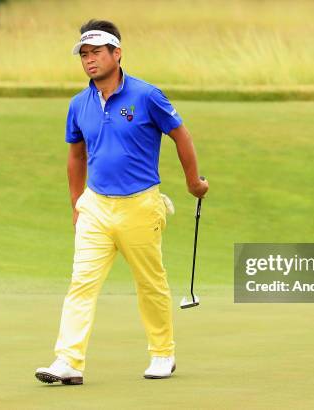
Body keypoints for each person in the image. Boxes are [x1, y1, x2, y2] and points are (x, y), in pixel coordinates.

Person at [35, 19, 209, 385]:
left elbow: (181, 135)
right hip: (95, 207)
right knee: (81, 283)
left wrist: (193, 182)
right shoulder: (79, 104)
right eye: (84, 54)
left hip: (140, 205)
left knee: (150, 283)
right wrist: (76, 203)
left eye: (96, 52)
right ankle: (68, 361)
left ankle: (162, 354)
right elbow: (76, 155)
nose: (89, 60)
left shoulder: (147, 96)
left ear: (117, 53)